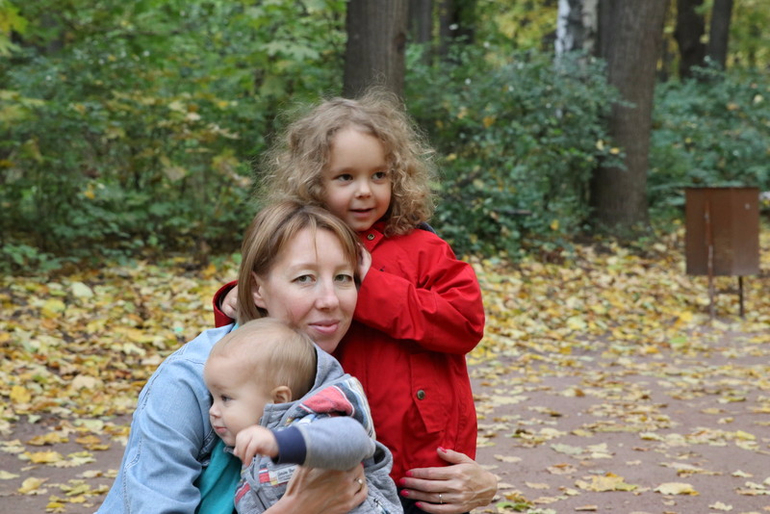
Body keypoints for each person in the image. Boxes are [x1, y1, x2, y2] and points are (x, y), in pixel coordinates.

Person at [213, 89, 498, 514]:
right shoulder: (299, 242)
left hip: (421, 464)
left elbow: (464, 323)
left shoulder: (423, 248)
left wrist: (372, 284)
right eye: (345, 177)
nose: (365, 191)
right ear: (314, 182)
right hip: (330, 459)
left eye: (379, 175)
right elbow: (256, 345)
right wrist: (231, 300)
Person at [98, 201, 378, 514]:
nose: (330, 300)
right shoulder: (187, 380)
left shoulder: (334, 371)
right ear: (258, 289)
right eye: (304, 278)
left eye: (343, 277)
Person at [204, 317, 401, 513]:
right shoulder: (248, 468)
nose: (213, 411)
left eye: (225, 398)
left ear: (278, 399)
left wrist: (279, 442)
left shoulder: (307, 425)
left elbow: (354, 438)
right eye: (213, 399)